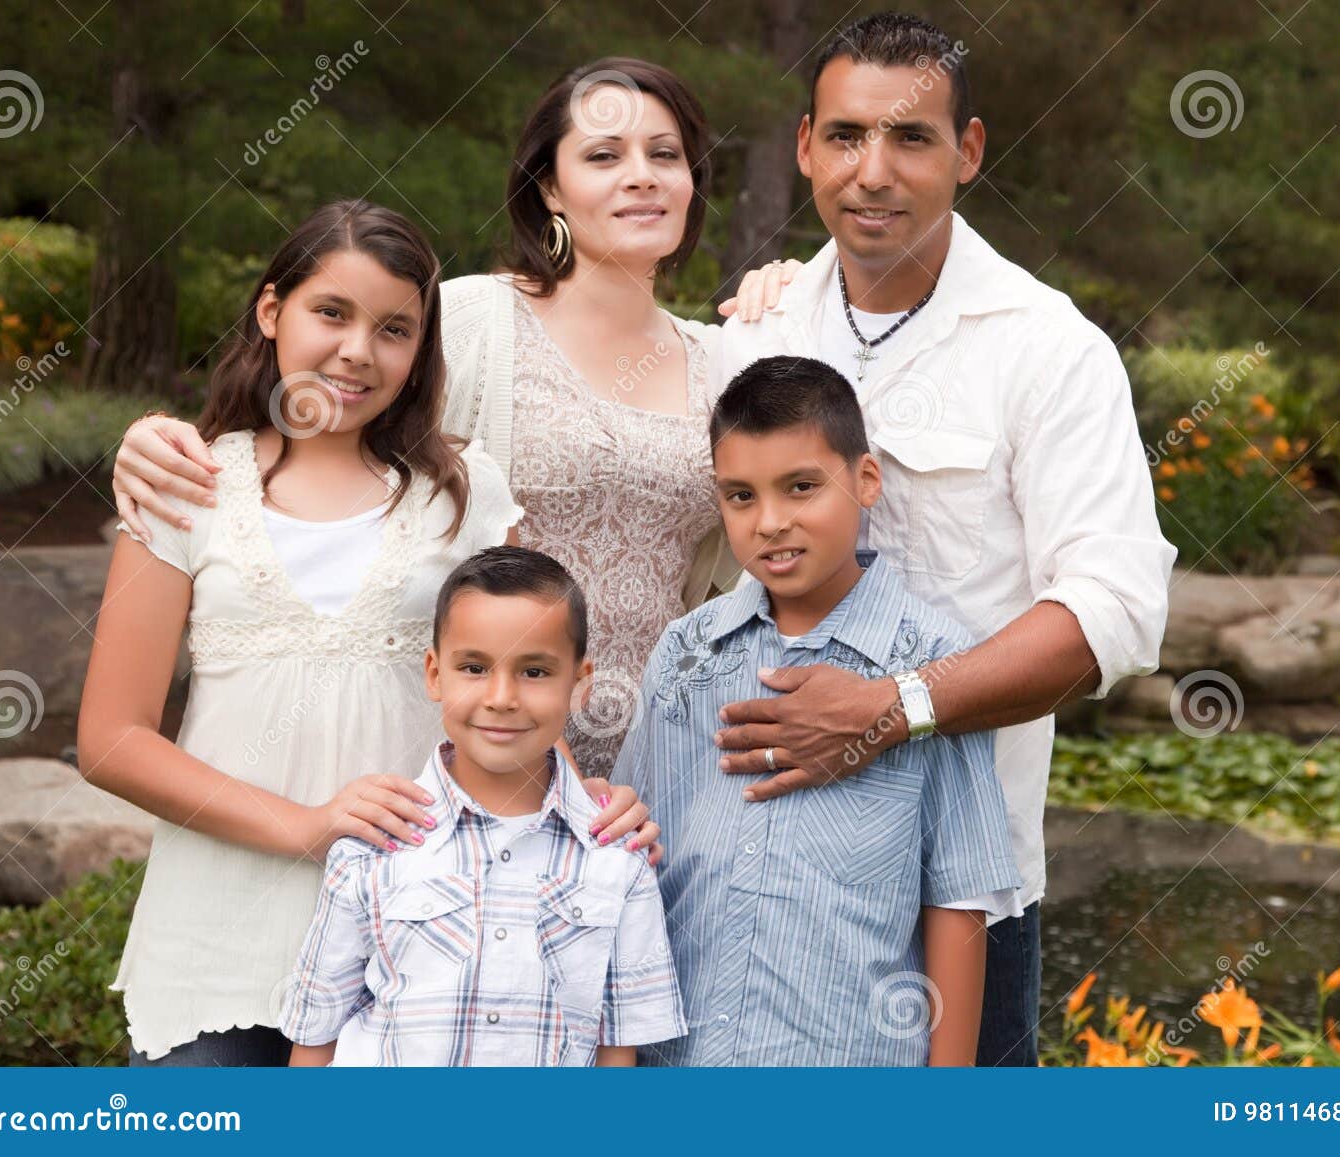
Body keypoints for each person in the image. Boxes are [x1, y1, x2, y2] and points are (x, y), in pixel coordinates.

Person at [76, 200, 652, 1066]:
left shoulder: (463, 494)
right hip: (218, 938)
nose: (357, 351)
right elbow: (111, 739)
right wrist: (306, 825)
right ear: (273, 312)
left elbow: (515, 690)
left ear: (422, 350)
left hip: (421, 943)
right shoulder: (188, 481)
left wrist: (595, 812)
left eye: (394, 328)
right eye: (331, 313)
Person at [108, 58, 797, 779]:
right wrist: (159, 434)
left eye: (665, 155)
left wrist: (794, 292)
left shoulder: (726, 358)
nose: (642, 175)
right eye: (603, 155)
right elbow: (322, 430)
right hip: (471, 767)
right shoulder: (471, 321)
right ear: (550, 190)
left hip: (664, 761)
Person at [712, 13, 1177, 1066]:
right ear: (804, 148)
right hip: (753, 872)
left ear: (967, 150)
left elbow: (1113, 609)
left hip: (955, 893)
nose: (871, 171)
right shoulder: (755, 332)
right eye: (843, 137)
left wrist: (890, 711)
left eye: (910, 138)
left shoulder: (1049, 349)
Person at [611, 356, 1020, 1066]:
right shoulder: (686, 652)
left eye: (801, 487)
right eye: (740, 496)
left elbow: (958, 898)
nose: (770, 522)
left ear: (866, 480)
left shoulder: (936, 664)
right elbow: (631, 862)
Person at [278, 547, 685, 1066]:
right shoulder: (373, 847)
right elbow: (316, 1036)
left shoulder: (619, 858)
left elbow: (616, 1051)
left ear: (580, 685)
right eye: (474, 667)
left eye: (534, 672)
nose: (501, 697)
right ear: (434, 673)